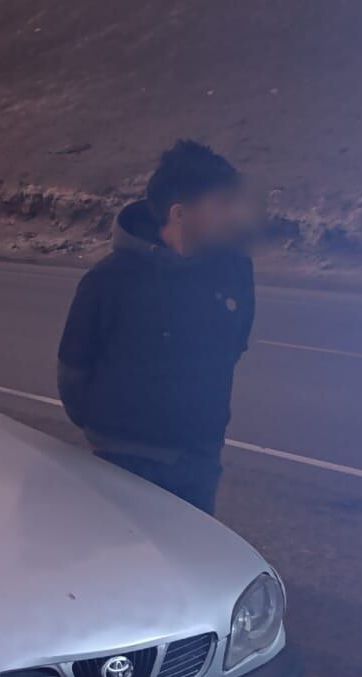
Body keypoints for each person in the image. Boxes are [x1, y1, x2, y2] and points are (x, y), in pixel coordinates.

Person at [57, 140, 256, 514]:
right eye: (221, 204)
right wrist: (107, 432)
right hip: (122, 461)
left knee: (190, 566)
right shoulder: (109, 280)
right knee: (123, 566)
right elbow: (72, 373)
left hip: (199, 460)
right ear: (180, 213)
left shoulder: (234, 271)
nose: (233, 215)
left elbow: (234, 345)